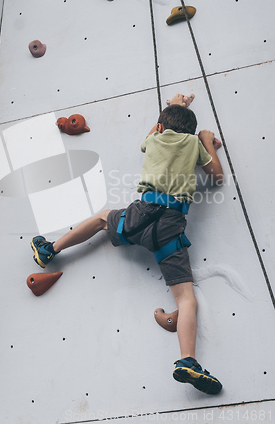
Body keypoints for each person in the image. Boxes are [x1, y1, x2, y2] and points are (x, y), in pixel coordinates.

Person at [30, 94, 224, 395]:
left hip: (139, 217)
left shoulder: (155, 139)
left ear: (159, 127)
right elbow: (218, 177)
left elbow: (151, 135)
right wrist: (207, 140)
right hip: (170, 228)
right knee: (186, 300)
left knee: (102, 218)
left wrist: (175, 105)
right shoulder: (195, 145)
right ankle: (187, 361)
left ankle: (50, 250)